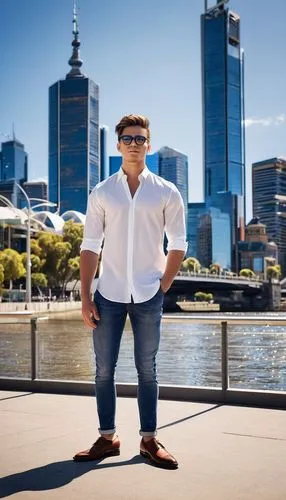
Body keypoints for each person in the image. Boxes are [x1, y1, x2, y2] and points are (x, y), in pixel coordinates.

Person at [73, 114, 187, 469]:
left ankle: (149, 440)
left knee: (147, 370)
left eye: (140, 138)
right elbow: (90, 245)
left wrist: (162, 286)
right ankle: (107, 439)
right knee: (103, 370)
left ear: (148, 145)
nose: (134, 143)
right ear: (118, 144)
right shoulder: (103, 191)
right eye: (128, 138)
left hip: (148, 295)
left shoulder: (167, 191)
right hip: (108, 294)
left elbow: (179, 244)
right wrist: (86, 297)